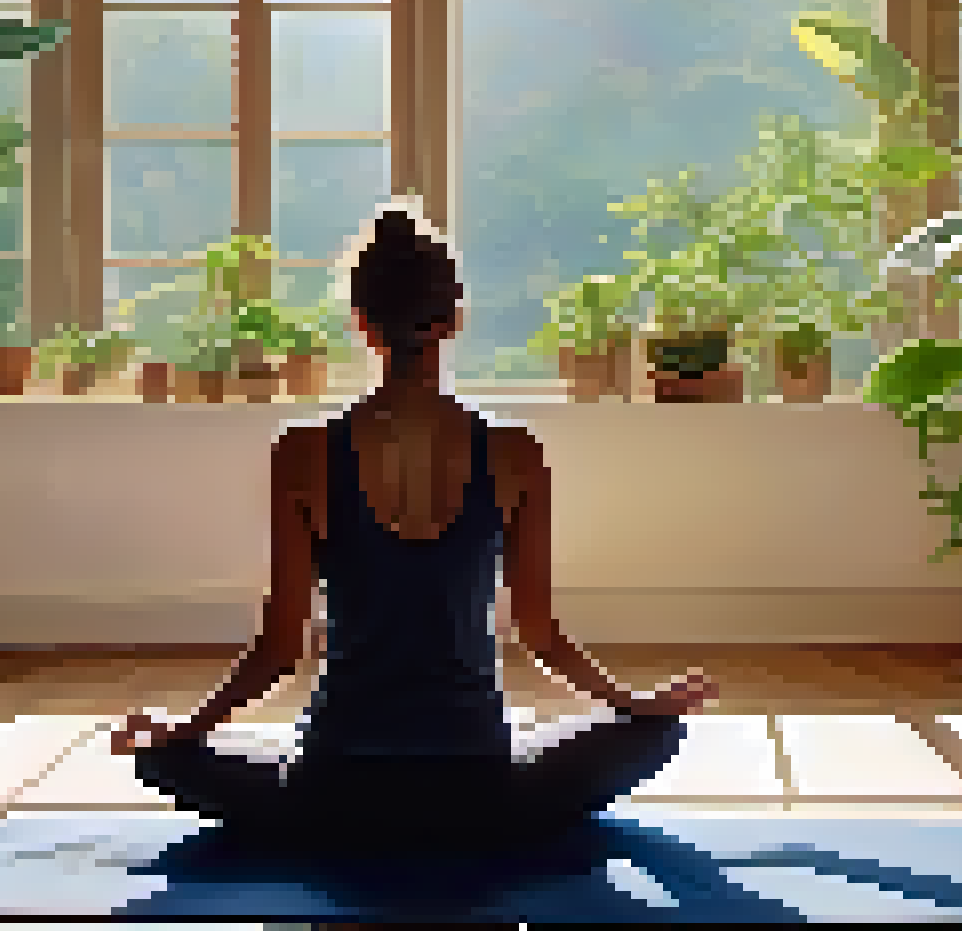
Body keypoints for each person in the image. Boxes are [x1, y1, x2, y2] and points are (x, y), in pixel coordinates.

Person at [111, 204, 719, 852]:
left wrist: (188, 728)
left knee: (159, 758)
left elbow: (280, 649)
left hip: (334, 788)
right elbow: (539, 632)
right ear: (453, 319)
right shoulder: (515, 452)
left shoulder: (303, 452)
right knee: (658, 734)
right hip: (479, 789)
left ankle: (309, 811)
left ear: (365, 327)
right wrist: (634, 701)